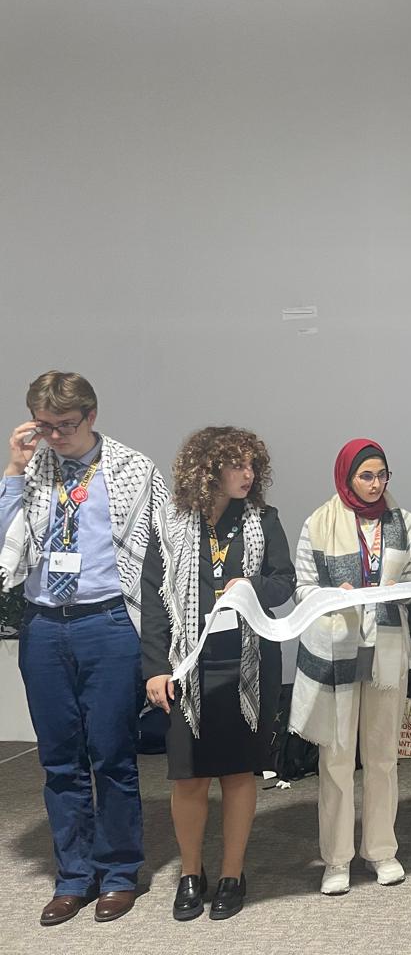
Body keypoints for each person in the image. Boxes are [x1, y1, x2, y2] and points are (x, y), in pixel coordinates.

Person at [0, 371, 168, 925]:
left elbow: (161, 553)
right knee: (58, 758)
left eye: (65, 425)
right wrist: (14, 469)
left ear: (91, 417)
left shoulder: (132, 469)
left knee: (112, 754)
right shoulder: (34, 468)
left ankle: (118, 873)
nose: (54, 436)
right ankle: (73, 877)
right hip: (45, 625)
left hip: (109, 622)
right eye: (43, 425)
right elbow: (4, 544)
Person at [141, 426, 296, 920]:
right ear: (208, 470)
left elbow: (283, 582)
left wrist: (250, 586)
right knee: (188, 778)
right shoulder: (167, 523)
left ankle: (232, 873)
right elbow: (153, 602)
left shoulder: (264, 519)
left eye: (253, 466)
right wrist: (155, 669)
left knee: (237, 772)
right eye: (237, 465)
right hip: (187, 670)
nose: (248, 475)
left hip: (249, 667)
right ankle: (191, 873)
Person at [289, 439, 411, 896]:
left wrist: (399, 590)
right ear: (347, 476)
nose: (376, 483)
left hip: (386, 647)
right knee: (338, 759)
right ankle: (337, 859)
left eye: (382, 475)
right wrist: (333, 596)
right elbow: (303, 588)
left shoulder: (402, 521)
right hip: (337, 649)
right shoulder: (319, 522)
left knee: (383, 757)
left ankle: (382, 851)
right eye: (366, 475)